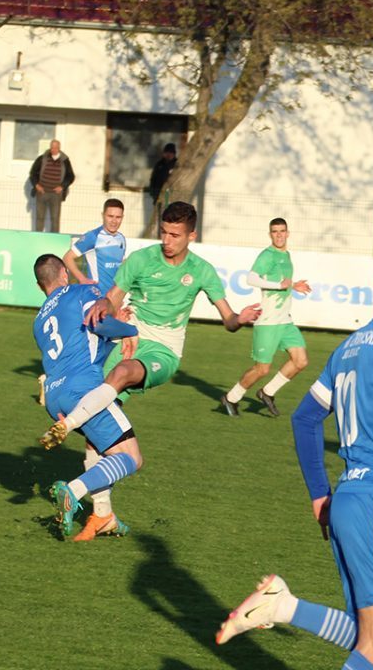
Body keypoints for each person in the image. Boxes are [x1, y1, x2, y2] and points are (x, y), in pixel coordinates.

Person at [216, 235, 373, 670]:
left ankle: (283, 606)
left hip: (351, 500)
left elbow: (306, 418)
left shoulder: (350, 345)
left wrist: (319, 494)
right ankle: (281, 606)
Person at [40, 201, 261, 448]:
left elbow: (229, 320)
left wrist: (239, 319)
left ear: (191, 235)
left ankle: (67, 425)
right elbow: (113, 298)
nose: (167, 240)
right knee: (100, 423)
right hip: (129, 340)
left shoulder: (202, 271)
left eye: (175, 235)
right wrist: (104, 304)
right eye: (163, 232)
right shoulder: (141, 259)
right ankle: (86, 474)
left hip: (164, 349)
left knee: (121, 373)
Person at [33, 253, 143, 541]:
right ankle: (73, 491)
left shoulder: (39, 320)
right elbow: (99, 325)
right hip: (83, 390)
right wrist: (129, 330)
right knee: (131, 457)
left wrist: (114, 334)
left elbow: (85, 347)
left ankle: (104, 516)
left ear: (40, 285)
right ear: (64, 274)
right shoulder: (81, 292)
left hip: (55, 398)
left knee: (98, 447)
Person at [221, 217, 311, 418]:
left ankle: (267, 392)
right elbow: (251, 278)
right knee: (262, 369)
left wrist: (293, 285)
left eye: (282, 231)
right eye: (275, 232)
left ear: (288, 233)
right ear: (270, 234)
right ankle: (231, 398)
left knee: (301, 361)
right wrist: (280, 285)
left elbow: (281, 281)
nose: (279, 235)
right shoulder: (267, 255)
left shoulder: (286, 255)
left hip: (285, 321)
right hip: (268, 322)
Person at [62, 198, 126, 294]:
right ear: (103, 215)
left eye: (118, 217)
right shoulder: (92, 236)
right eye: (110, 216)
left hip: (114, 296)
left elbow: (121, 264)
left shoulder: (121, 238)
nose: (114, 221)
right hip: (97, 295)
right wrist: (82, 279)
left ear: (122, 217)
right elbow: (67, 258)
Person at [29, 139, 75, 233]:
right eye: (52, 147)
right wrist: (36, 185)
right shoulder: (42, 159)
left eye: (55, 148)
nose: (53, 150)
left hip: (56, 195)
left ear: (59, 148)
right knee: (39, 218)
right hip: (42, 193)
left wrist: (62, 186)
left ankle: (54, 238)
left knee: (55, 219)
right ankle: (37, 237)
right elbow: (33, 173)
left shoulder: (65, 161)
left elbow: (71, 176)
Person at [148, 142, 177, 207]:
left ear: (174, 154)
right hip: (158, 194)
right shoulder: (159, 164)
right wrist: (153, 192)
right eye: (166, 152)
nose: (168, 154)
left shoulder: (176, 164)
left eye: (170, 153)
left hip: (171, 195)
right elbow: (153, 178)